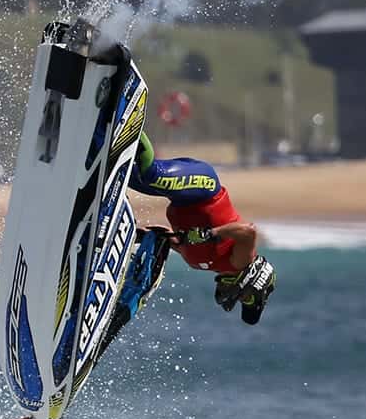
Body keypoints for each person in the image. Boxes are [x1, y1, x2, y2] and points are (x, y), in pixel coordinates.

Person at [116, 136, 276, 327]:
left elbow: (167, 238)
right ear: (255, 283)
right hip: (204, 186)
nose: (238, 298)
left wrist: (140, 234)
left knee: (122, 173)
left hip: (181, 197)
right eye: (246, 299)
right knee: (150, 174)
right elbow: (248, 232)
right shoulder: (238, 262)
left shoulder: (200, 263)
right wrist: (210, 234)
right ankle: (129, 120)